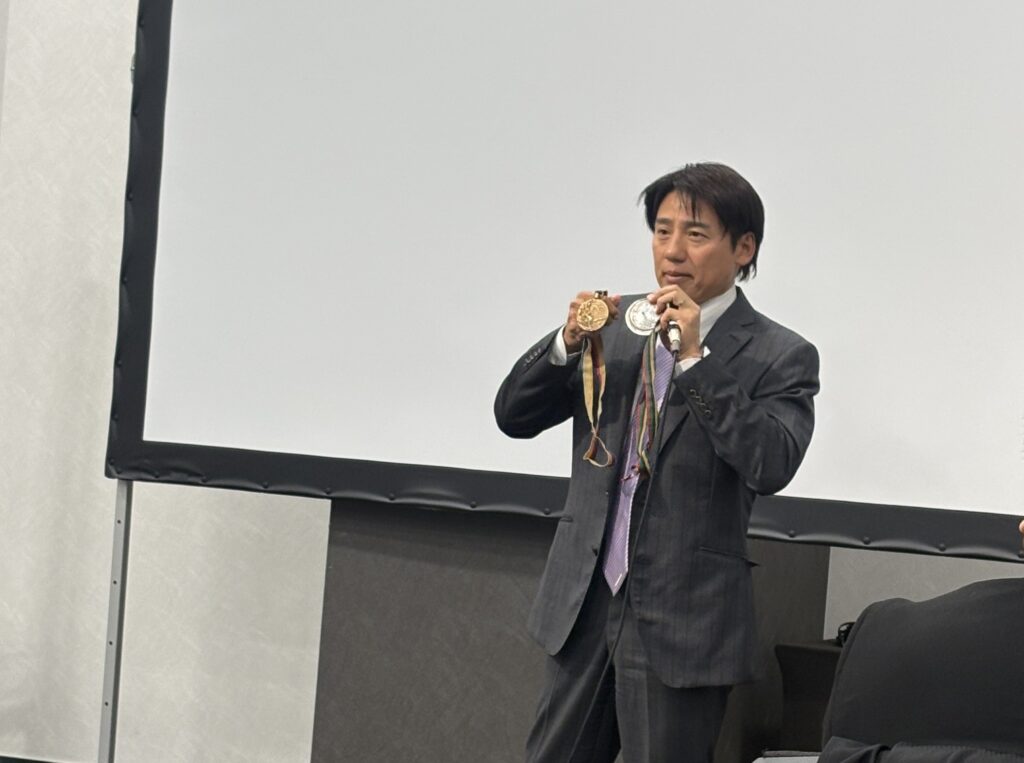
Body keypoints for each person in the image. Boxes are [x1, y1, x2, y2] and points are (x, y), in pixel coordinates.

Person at [494, 163, 820, 762]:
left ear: (743, 248)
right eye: (662, 231)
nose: (672, 250)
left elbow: (771, 462)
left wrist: (695, 361)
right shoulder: (616, 325)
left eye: (695, 234)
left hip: (683, 619)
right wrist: (566, 343)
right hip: (585, 603)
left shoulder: (781, 355)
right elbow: (513, 415)